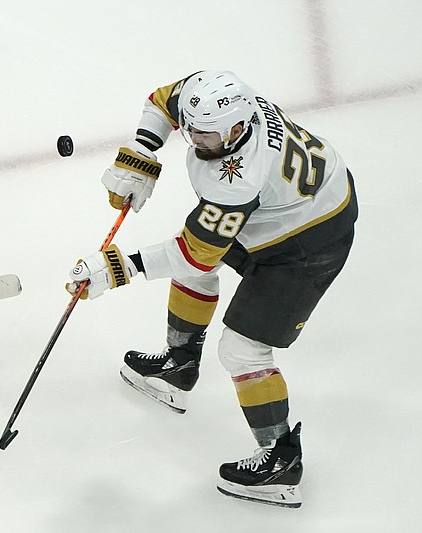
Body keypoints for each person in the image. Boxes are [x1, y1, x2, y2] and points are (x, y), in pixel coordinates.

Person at [67, 70, 357, 508]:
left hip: (311, 239)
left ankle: (280, 460)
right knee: (195, 265)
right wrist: (143, 152)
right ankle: (178, 366)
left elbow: (193, 254)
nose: (196, 142)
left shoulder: (237, 180)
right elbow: (162, 100)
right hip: (279, 207)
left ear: (238, 129)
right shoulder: (218, 98)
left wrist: (117, 268)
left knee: (242, 350)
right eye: (191, 132)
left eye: (206, 138)